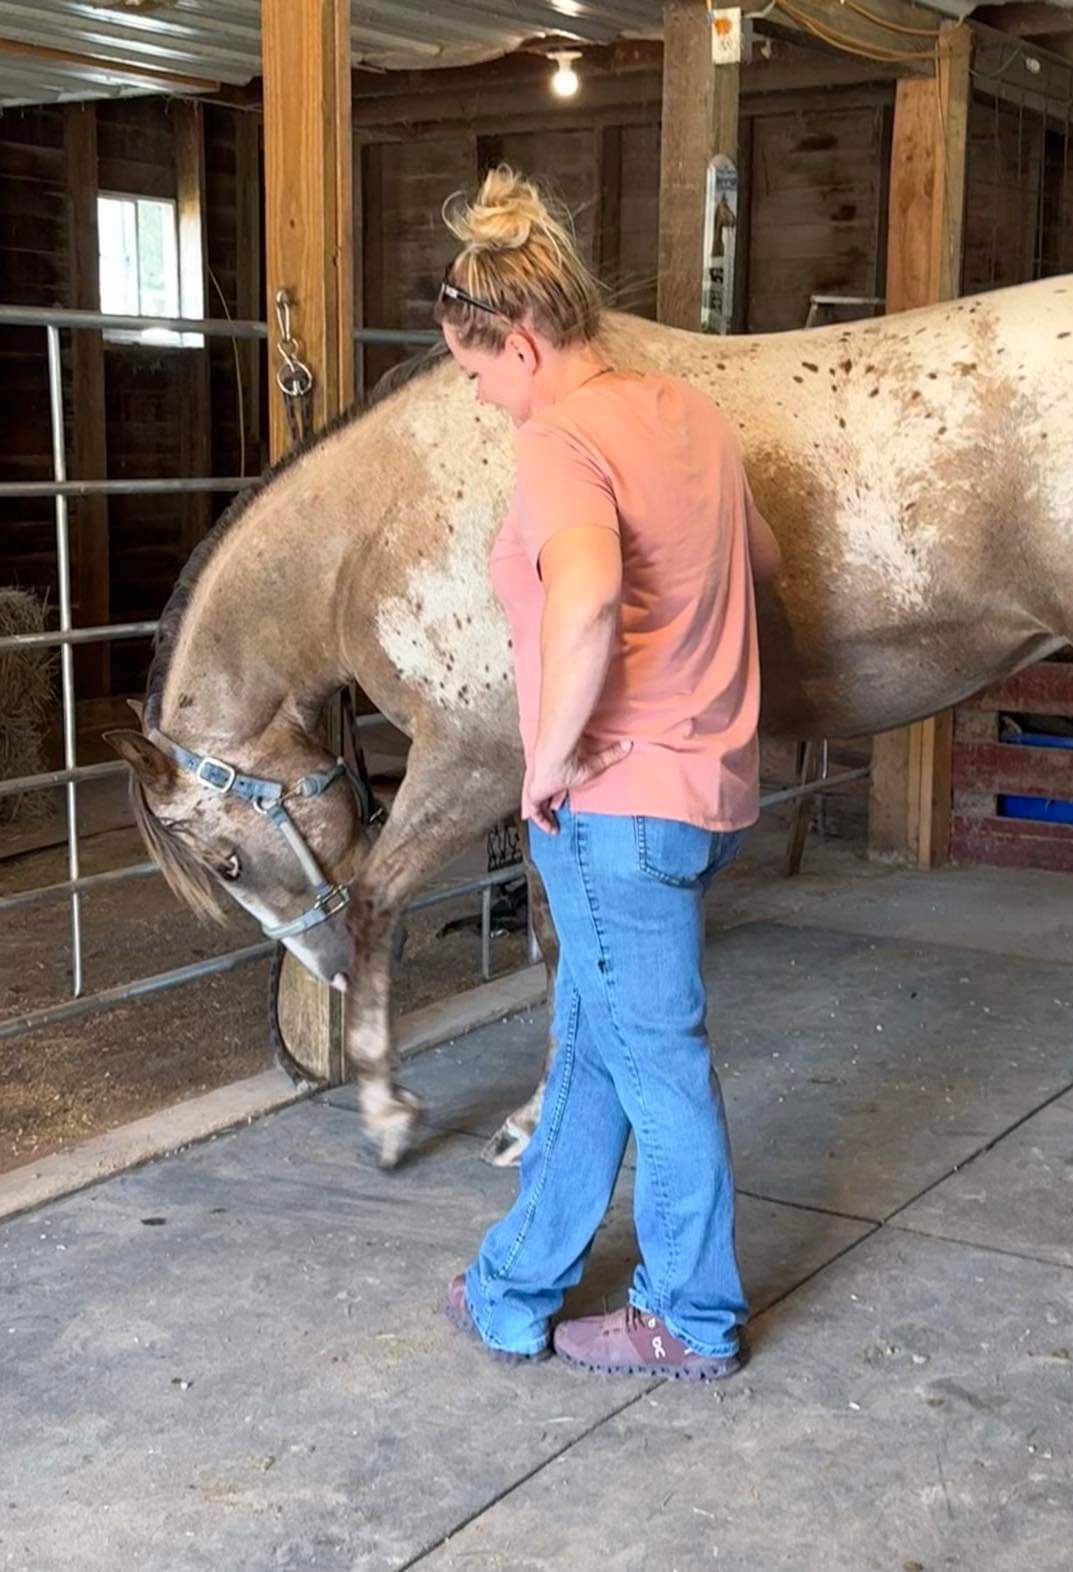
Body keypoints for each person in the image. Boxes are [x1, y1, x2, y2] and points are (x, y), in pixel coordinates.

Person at [434, 166, 782, 1381]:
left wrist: (550, 758)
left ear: (522, 344)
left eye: (477, 375)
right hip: (708, 790)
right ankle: (515, 1284)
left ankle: (689, 1315)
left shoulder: (559, 440)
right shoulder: (688, 413)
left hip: (616, 805)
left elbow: (583, 598)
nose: (481, 399)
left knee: (658, 1067)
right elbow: (764, 553)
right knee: (592, 1047)